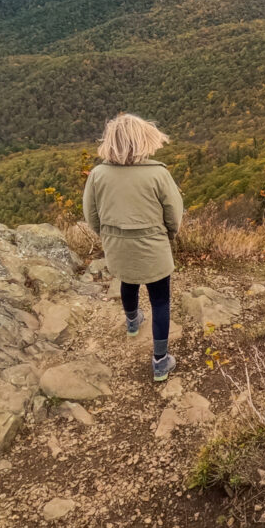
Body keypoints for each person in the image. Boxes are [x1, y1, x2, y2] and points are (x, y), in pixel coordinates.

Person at [82, 113, 183, 381]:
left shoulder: (97, 174)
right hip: (153, 245)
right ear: (144, 140)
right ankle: (160, 361)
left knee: (128, 281)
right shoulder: (158, 173)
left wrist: (109, 237)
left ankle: (132, 322)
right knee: (160, 300)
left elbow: (91, 216)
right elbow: (174, 214)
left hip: (117, 244)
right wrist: (168, 235)